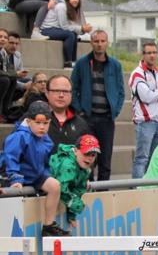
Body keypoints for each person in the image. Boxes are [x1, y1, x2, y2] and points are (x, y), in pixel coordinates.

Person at [2, 102, 65, 236]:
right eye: (38, 123)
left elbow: (46, 162)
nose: (42, 127)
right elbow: (10, 158)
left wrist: (51, 175)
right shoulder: (19, 136)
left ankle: (48, 225)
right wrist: (15, 178)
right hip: (19, 176)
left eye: (46, 123)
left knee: (55, 186)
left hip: (37, 176)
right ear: (29, 121)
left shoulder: (45, 138)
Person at [71, 29, 124, 181]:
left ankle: (104, 192)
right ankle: (87, 189)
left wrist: (116, 110)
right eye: (96, 41)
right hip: (87, 118)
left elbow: (121, 91)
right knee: (87, 158)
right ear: (91, 43)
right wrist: (80, 111)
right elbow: (73, 88)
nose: (99, 44)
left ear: (107, 43)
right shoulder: (82, 63)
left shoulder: (115, 65)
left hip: (107, 119)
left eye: (102, 41)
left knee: (105, 159)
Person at [128, 42, 158, 178]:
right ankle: (137, 190)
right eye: (149, 53)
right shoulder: (137, 74)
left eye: (154, 52)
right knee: (142, 159)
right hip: (145, 122)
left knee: (156, 160)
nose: (152, 56)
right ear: (143, 55)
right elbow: (146, 97)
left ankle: (151, 187)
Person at [48, 134, 100, 232]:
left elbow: (77, 191)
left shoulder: (85, 169)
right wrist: (77, 205)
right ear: (76, 151)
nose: (89, 158)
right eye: (86, 154)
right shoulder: (68, 164)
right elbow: (63, 189)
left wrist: (71, 215)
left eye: (93, 155)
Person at [40, 0, 93, 67]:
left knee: (73, 34)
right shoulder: (62, 7)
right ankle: (68, 62)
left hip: (57, 29)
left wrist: (83, 29)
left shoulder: (72, 9)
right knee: (70, 35)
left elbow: (72, 26)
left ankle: (73, 61)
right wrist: (81, 28)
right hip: (47, 30)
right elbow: (64, 26)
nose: (75, 0)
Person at [44, 76, 91, 151]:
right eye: (56, 91)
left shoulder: (81, 124)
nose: (61, 95)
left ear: (71, 95)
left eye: (65, 91)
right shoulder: (33, 119)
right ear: (47, 93)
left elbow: (88, 153)